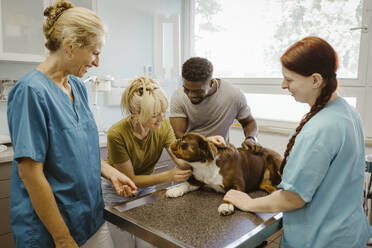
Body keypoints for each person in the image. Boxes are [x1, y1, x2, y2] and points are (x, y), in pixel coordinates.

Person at [7, 1, 137, 247]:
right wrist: (62, 238)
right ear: (70, 48)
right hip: (51, 231)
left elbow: (76, 150)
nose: (97, 62)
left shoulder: (77, 86)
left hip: (89, 218)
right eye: (94, 53)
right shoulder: (31, 92)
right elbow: (30, 173)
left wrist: (111, 172)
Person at [223, 36, 372, 247]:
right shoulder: (347, 112)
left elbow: (293, 198)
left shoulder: (321, 129)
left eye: (290, 79)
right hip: (347, 233)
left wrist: (249, 203)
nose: (284, 85)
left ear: (315, 80)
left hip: (320, 239)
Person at [102, 76, 223, 247]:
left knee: (148, 243)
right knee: (124, 245)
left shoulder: (164, 125)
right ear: (135, 113)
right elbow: (130, 179)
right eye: (154, 115)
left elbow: (181, 161)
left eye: (163, 112)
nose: (161, 118)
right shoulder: (117, 134)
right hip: (117, 190)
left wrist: (206, 144)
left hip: (147, 188)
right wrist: (169, 175)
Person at [170, 56, 260, 151]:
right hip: (191, 153)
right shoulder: (178, 97)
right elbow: (178, 134)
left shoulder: (233, 95)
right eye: (186, 89)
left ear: (211, 83)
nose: (191, 95)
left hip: (222, 154)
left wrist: (251, 138)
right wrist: (206, 142)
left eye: (197, 91)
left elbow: (249, 122)